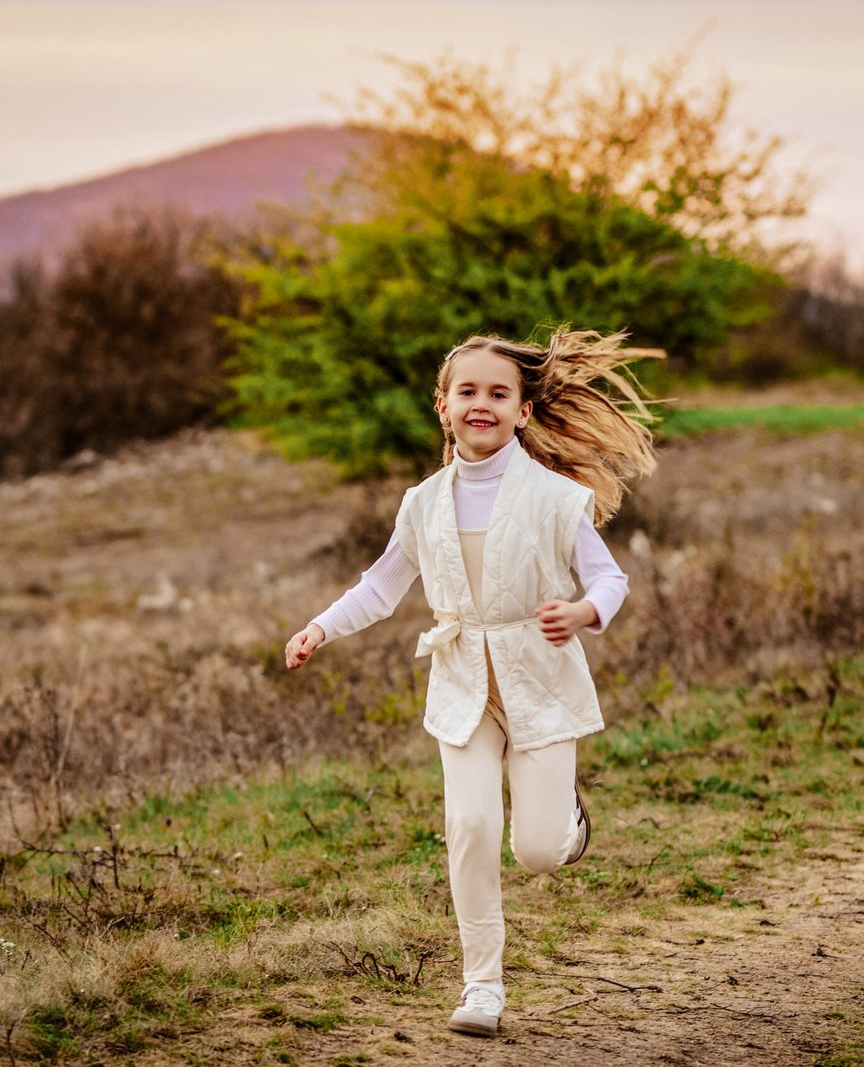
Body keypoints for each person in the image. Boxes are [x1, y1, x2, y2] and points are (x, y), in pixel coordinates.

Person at [284, 327, 659, 1037]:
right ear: (443, 405)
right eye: (467, 392)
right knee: (472, 825)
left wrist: (583, 610)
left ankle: (569, 824)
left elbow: (610, 576)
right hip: (462, 686)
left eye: (498, 393)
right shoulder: (422, 502)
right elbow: (381, 586)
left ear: (522, 410)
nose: (480, 403)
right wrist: (319, 628)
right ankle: (481, 985)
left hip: (540, 682)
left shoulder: (556, 497)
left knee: (537, 851)